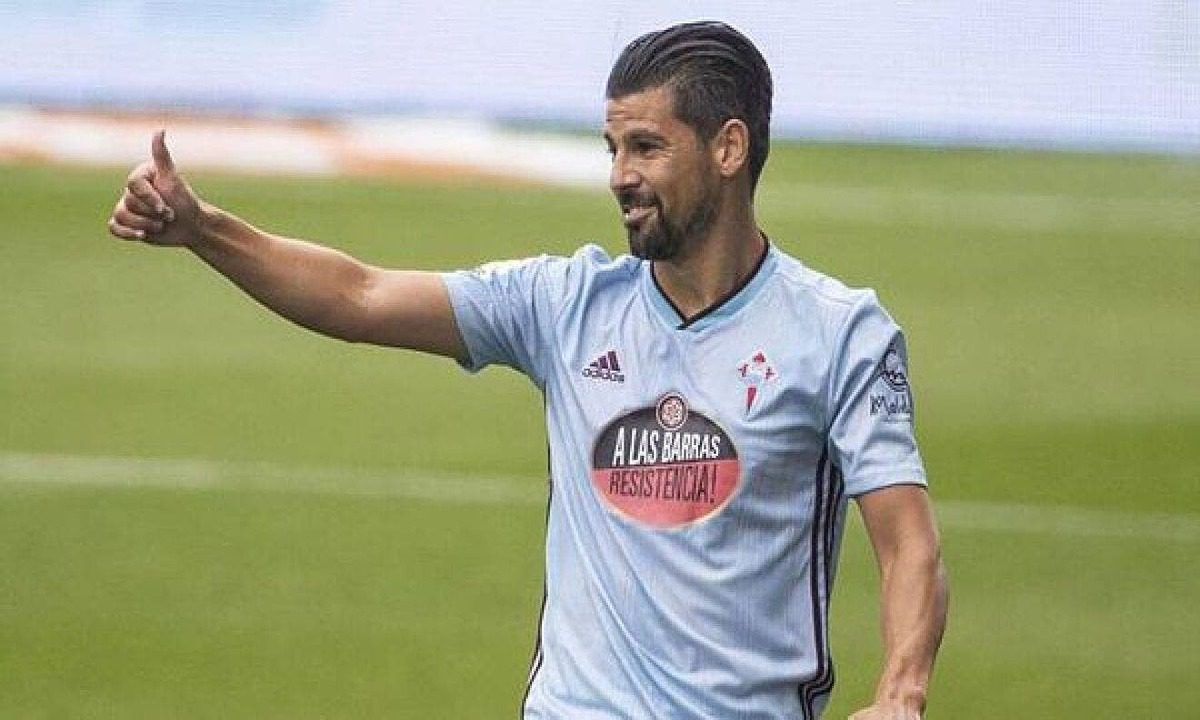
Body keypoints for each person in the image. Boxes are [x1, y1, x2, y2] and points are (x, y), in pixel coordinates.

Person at [107, 20, 947, 720]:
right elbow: (359, 295)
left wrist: (900, 692)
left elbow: (909, 545)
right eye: (612, 147)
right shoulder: (564, 303)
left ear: (729, 147)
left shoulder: (838, 334)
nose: (619, 176)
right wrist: (203, 229)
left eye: (646, 147)